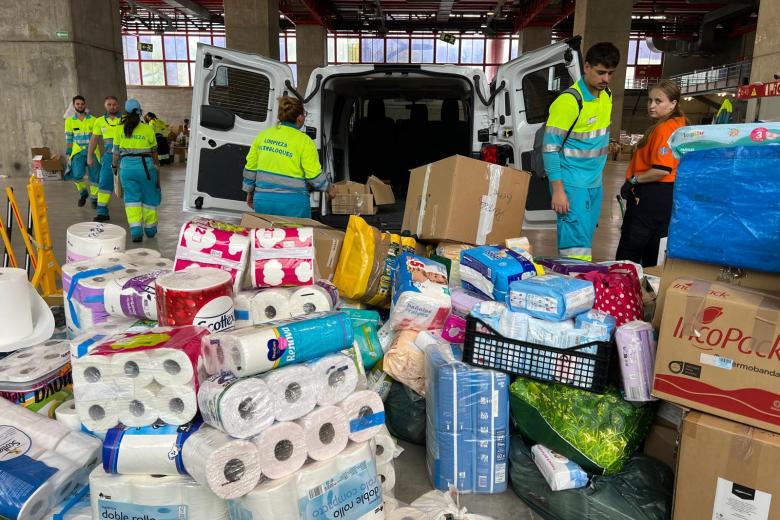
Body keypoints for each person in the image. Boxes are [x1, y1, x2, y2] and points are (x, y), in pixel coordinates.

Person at [542, 42, 621, 261]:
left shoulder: (607, 96)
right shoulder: (569, 102)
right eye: (600, 72)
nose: (605, 79)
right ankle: (574, 286)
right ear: (586, 67)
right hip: (572, 183)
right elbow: (549, 149)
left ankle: (579, 282)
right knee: (575, 245)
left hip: (594, 183)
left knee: (585, 238)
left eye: (610, 73)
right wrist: (558, 190)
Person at [616, 80, 688, 267]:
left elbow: (661, 169)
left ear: (673, 104)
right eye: (650, 100)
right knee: (654, 249)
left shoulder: (664, 129)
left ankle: (621, 289)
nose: (651, 105)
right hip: (666, 195)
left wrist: (633, 180)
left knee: (630, 250)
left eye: (658, 101)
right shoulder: (680, 124)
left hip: (651, 195)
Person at [242, 97, 332, 218]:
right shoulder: (305, 141)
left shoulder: (263, 136)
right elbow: (313, 174)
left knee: (267, 235)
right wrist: (329, 187)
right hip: (293, 204)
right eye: (304, 114)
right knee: (295, 236)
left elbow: (251, 168)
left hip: (263, 200)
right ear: (299, 117)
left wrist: (249, 192)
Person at [114, 100, 161, 243]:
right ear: (140, 112)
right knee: (149, 197)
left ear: (125, 113)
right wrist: (157, 167)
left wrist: (114, 167)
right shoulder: (147, 129)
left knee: (131, 199)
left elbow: (116, 153)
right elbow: (154, 152)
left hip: (126, 169)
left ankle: (136, 231)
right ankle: (150, 229)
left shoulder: (119, 128)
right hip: (146, 169)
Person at [87, 96, 122, 222]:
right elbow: (94, 140)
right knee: (104, 182)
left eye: (114, 104)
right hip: (108, 157)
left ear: (118, 105)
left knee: (129, 183)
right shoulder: (99, 121)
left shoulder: (124, 120)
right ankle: (102, 212)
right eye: (109, 104)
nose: (112, 107)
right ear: (105, 106)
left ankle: (134, 211)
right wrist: (89, 156)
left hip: (125, 156)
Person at [64, 95, 100, 207]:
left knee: (95, 177)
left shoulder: (94, 120)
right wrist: (69, 153)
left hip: (93, 152)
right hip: (78, 152)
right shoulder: (69, 121)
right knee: (76, 175)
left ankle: (94, 199)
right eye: (77, 104)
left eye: (82, 104)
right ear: (74, 105)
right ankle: (83, 192)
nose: (80, 106)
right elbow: (69, 138)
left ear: (85, 105)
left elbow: (97, 137)